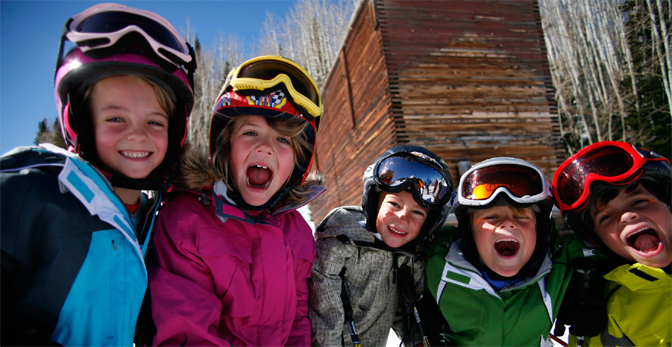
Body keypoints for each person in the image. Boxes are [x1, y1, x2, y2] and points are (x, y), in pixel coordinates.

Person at [0, 3, 196, 346]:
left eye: (155, 122)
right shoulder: (30, 191)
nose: (138, 135)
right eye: (116, 119)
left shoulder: (153, 219)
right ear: (80, 122)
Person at [148, 55, 324, 347]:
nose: (265, 147)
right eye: (250, 132)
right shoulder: (186, 222)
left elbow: (296, 323)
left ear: (297, 163)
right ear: (225, 148)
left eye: (283, 141)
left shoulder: (298, 232)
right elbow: (188, 333)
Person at [425, 157, 598, 346]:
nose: (508, 223)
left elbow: (607, 249)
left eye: (521, 216)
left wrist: (594, 283)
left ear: (539, 231)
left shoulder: (561, 266)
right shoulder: (436, 263)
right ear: (470, 233)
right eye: (491, 216)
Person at [309, 145, 453, 347]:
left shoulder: (408, 258)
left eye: (418, 213)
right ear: (374, 202)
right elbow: (325, 313)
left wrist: (419, 341)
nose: (403, 217)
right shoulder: (340, 244)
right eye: (394, 204)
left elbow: (404, 310)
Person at [552, 141, 671, 346]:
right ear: (598, 241)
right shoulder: (608, 314)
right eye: (605, 217)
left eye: (638, 201)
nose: (626, 217)